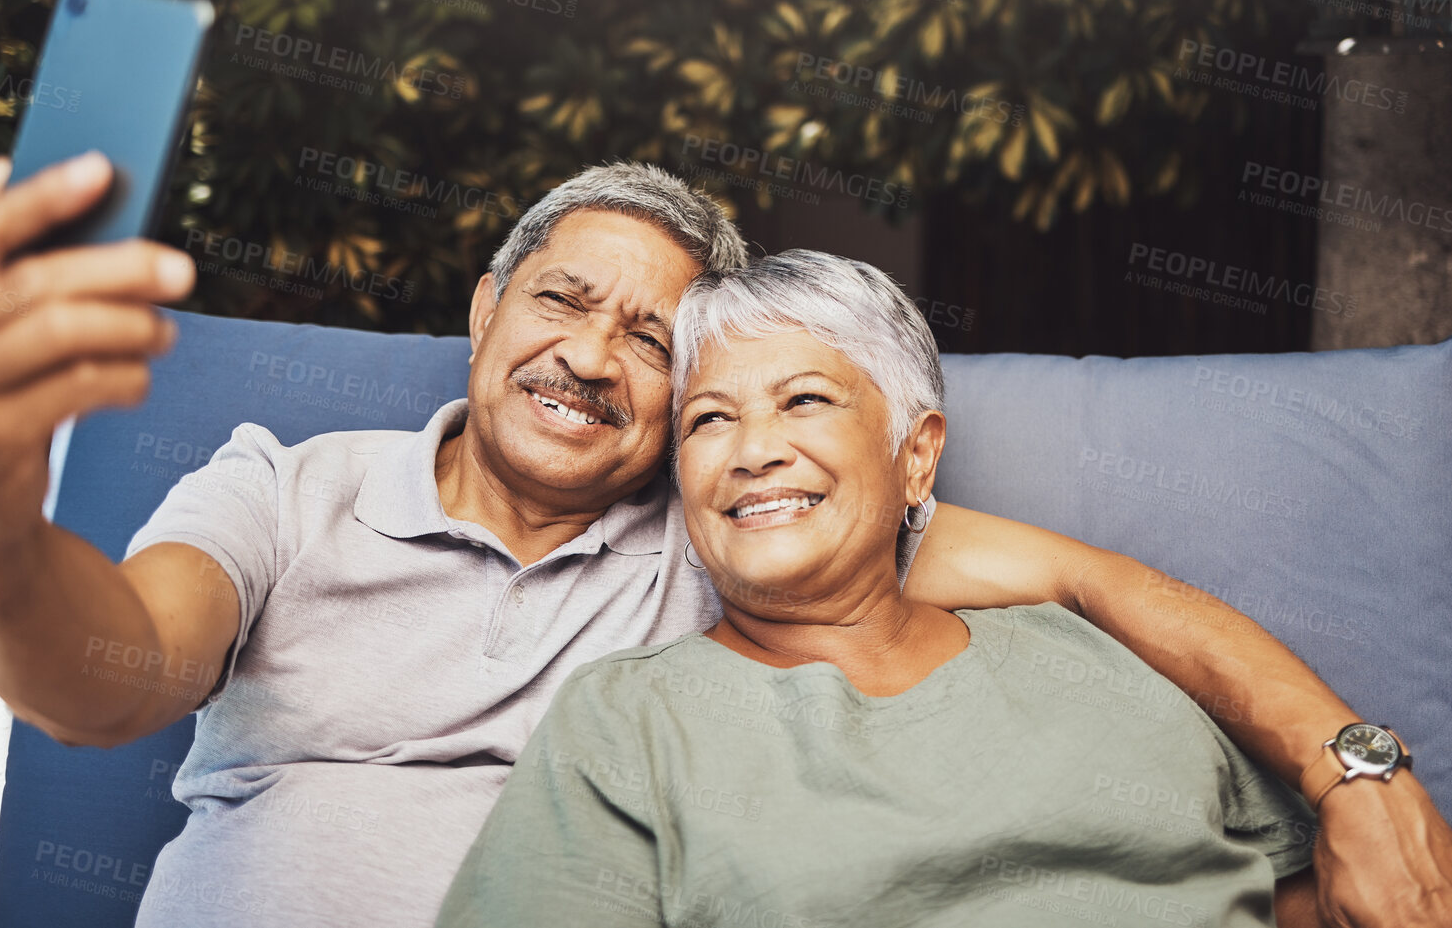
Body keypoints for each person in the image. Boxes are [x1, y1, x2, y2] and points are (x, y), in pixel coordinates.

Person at [0, 153, 1452, 927]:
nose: (593, 353)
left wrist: (1357, 772)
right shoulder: (289, 486)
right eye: (562, 300)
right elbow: (103, 676)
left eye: (657, 344)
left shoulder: (723, 532)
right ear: (480, 313)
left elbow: (1089, 582)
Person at [438, 250, 1330, 926]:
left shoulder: (1094, 650)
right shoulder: (627, 719)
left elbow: (1307, 897)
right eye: (710, 419)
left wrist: (1366, 787)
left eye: (805, 400)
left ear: (917, 455)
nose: (753, 450)